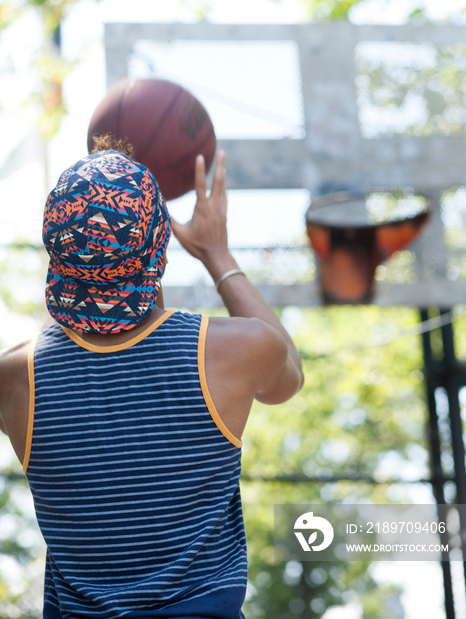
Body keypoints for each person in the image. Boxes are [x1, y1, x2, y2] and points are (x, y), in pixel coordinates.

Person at [0, 138, 304, 619]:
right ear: (159, 246)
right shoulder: (235, 350)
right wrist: (216, 254)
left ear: (54, 252)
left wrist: (84, 250)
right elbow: (290, 377)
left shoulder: (16, 378)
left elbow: (63, 337)